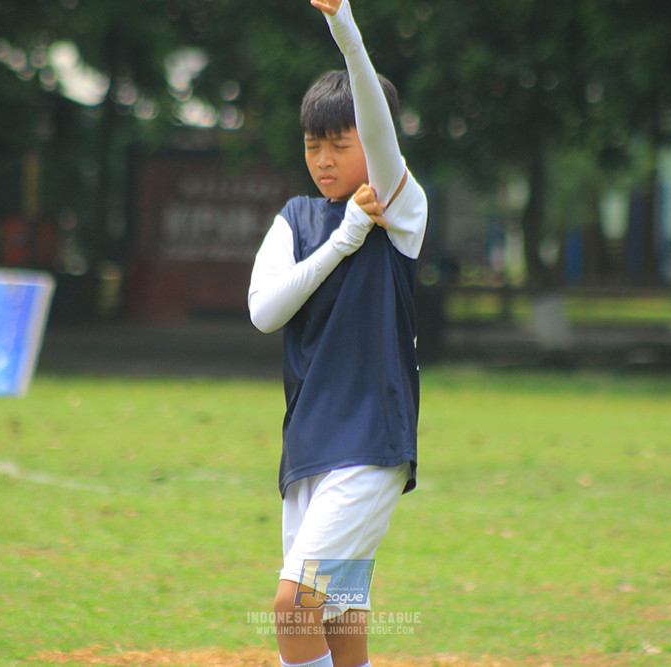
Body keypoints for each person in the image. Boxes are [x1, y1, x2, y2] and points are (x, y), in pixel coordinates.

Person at [247, 0, 428, 666]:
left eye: (339, 143)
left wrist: (345, 29)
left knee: (294, 602)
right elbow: (266, 311)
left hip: (370, 443)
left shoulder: (402, 209)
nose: (323, 158)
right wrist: (340, 241)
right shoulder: (295, 220)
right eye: (312, 143)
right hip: (308, 448)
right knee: (342, 610)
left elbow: (383, 143)